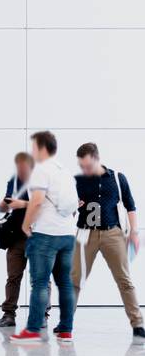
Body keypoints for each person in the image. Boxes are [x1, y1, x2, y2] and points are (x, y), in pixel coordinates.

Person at [72, 142, 145, 343]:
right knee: (75, 279)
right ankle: (66, 323)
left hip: (113, 233)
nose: (84, 170)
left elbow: (130, 205)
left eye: (87, 166)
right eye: (81, 166)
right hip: (86, 234)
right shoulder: (77, 181)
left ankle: (138, 324)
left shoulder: (117, 178)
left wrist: (134, 232)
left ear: (97, 158)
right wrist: (73, 205)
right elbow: (67, 207)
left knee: (124, 279)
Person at [11, 131, 79, 344]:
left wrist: (25, 224)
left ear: (41, 147)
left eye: (33, 147)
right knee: (65, 284)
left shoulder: (41, 170)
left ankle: (32, 331)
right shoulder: (65, 171)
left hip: (46, 234)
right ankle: (66, 330)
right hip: (67, 234)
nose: (31, 151)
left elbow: (37, 201)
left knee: (40, 283)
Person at [0, 152, 48, 328]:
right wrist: (0, 206)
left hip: (38, 235)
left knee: (40, 278)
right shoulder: (14, 181)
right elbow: (8, 203)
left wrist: (21, 204)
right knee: (13, 277)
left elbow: (46, 206)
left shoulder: (43, 181)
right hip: (16, 236)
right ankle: (9, 314)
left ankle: (42, 315)